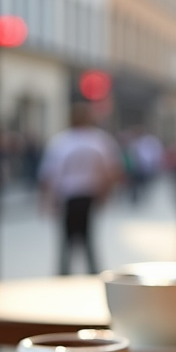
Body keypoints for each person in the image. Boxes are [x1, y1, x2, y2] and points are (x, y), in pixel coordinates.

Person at [38, 102, 124, 274]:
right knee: (87, 239)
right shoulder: (100, 140)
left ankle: (65, 275)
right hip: (88, 195)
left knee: (67, 240)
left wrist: (46, 200)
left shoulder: (61, 141)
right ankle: (91, 274)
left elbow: (48, 174)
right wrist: (105, 193)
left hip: (70, 196)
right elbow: (113, 171)